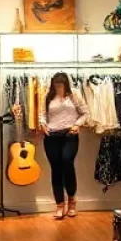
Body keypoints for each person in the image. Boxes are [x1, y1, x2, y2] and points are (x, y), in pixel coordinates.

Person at [39, 72, 88, 219]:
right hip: (51, 135)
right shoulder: (48, 96)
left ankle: (72, 200)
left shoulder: (74, 95)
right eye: (56, 84)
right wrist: (43, 124)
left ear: (66, 84)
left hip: (69, 134)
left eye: (60, 84)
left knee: (67, 162)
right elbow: (42, 113)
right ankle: (59, 204)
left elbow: (85, 113)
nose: (58, 87)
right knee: (56, 168)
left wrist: (77, 125)